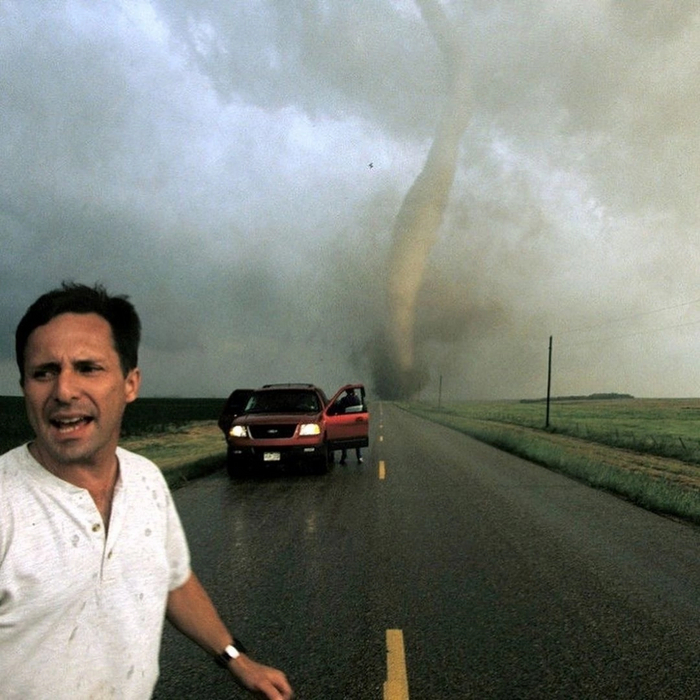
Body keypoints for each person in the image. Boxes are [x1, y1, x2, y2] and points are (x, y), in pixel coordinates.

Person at [0, 282, 293, 700]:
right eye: (43, 372)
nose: (63, 391)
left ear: (130, 384)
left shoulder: (147, 480)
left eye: (88, 368)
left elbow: (173, 579)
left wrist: (237, 660)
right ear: (24, 386)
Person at [337, 388, 364, 464]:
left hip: (345, 422)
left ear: (346, 392)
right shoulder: (357, 399)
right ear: (353, 391)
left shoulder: (344, 400)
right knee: (357, 440)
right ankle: (359, 457)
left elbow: (340, 410)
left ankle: (343, 457)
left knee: (344, 439)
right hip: (355, 422)